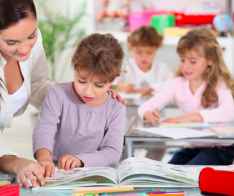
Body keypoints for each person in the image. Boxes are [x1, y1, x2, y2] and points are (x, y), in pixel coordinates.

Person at [0, 0, 125, 188]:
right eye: (11, 42)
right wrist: (17, 163)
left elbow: (38, 84)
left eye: (31, 35)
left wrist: (91, 98)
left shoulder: (31, 39)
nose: (25, 49)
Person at [32, 33, 126, 178]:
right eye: (81, 81)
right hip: (55, 171)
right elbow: (44, 129)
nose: (88, 91)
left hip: (94, 174)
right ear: (74, 68)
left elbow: (112, 152)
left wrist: (80, 161)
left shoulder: (116, 107)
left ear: (113, 80)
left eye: (99, 85)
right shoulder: (57, 94)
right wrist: (44, 159)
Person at [138, 28, 234, 165]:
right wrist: (148, 113)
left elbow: (229, 111)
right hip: (192, 148)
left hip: (221, 149)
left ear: (210, 60)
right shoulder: (177, 84)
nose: (186, 66)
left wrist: (192, 117)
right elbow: (146, 106)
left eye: (193, 61)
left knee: (187, 175)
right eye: (182, 60)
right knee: (167, 174)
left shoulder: (219, 83)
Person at [115, 26, 173, 95]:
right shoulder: (124, 66)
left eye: (149, 53)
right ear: (131, 47)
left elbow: (172, 85)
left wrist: (147, 89)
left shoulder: (161, 69)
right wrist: (121, 87)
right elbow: (109, 85)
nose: (144, 57)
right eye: (139, 52)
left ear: (157, 48)